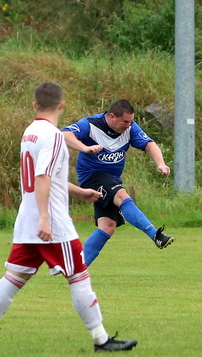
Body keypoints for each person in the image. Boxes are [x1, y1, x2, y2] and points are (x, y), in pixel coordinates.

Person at [0, 82, 137, 353]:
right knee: (79, 276)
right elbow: (43, 177)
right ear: (62, 105)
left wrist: (78, 191)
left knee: (13, 278)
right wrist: (45, 218)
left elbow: (45, 176)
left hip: (27, 220)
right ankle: (102, 340)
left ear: (35, 105)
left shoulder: (30, 132)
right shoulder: (54, 136)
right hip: (52, 223)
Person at [62, 99, 174, 267]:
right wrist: (84, 148)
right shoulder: (91, 124)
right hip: (92, 177)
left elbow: (149, 144)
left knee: (107, 226)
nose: (129, 125)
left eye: (130, 121)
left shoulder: (130, 128)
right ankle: (155, 235)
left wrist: (161, 163)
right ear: (112, 116)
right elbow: (64, 135)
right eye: (125, 122)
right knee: (122, 196)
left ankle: (77, 269)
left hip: (112, 179)